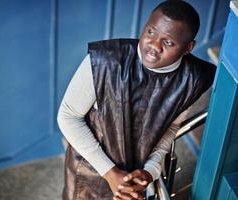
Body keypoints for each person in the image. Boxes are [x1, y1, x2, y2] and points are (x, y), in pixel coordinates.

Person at [57, 1, 216, 199]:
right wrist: (111, 173)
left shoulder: (193, 80)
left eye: (168, 42)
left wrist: (150, 171)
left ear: (188, 48)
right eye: (151, 32)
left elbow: (170, 128)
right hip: (90, 171)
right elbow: (68, 117)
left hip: (137, 176)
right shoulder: (105, 61)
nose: (154, 46)